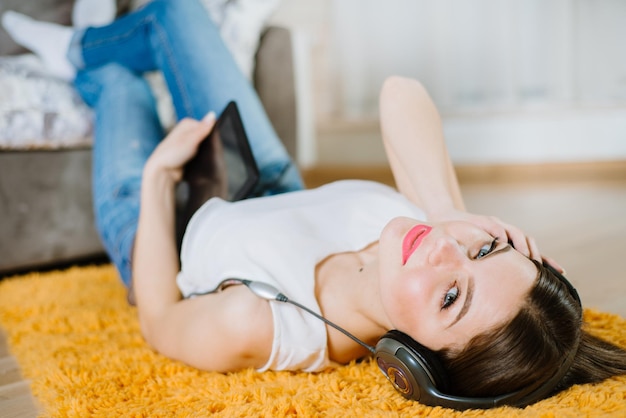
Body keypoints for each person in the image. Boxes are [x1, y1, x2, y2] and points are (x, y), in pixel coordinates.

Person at [4, 0, 625, 407]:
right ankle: (84, 44)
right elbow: (399, 93)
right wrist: (448, 216)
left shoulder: (259, 324)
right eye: (485, 250)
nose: (443, 253)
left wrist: (159, 178)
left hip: (165, 222)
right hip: (267, 181)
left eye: (450, 296)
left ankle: (89, 60)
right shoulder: (434, 239)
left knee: (118, 89)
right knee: (179, 11)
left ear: (411, 362)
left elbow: (161, 319)